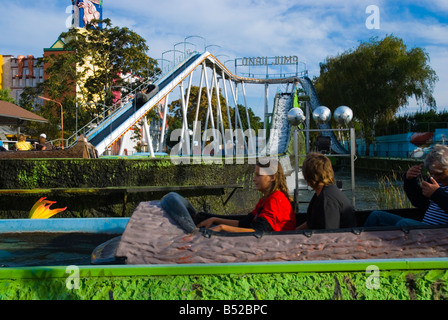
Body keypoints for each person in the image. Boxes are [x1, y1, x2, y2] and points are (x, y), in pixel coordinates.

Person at [196, 158, 297, 233]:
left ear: (272, 177)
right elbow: (244, 223)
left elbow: (258, 232)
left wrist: (222, 227)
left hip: (277, 246)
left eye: (259, 175)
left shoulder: (276, 200)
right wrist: (214, 219)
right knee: (202, 217)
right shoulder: (265, 199)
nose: (254, 179)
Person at [364, 144, 448, 227]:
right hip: (425, 227)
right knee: (376, 216)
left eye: (439, 174)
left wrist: (436, 194)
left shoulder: (436, 189)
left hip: (438, 233)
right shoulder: (433, 181)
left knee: (404, 224)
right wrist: (410, 180)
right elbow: (418, 202)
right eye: (433, 174)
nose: (436, 178)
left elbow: (439, 197)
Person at [296, 152, 356, 230]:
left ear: (308, 176)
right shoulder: (326, 192)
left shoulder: (327, 200)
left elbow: (328, 235)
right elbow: (311, 223)